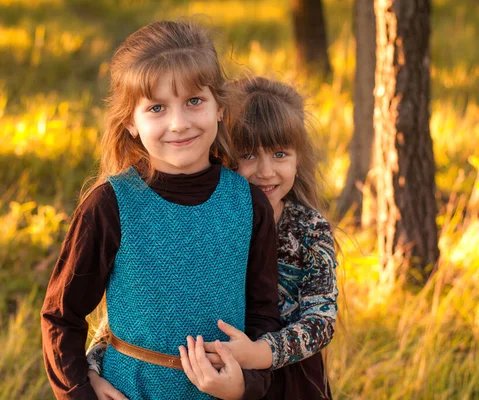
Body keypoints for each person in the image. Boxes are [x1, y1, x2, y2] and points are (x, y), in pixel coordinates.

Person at [40, 22, 283, 400]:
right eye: (156, 108)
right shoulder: (109, 206)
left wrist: (245, 387)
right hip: (132, 390)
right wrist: (81, 390)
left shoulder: (248, 204)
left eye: (194, 101)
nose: (178, 123)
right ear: (131, 124)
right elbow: (61, 316)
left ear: (220, 107)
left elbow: (265, 318)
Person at [86, 77, 338, 400]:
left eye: (279, 154)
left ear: (298, 159)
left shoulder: (309, 229)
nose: (265, 171)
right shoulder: (215, 218)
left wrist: (256, 353)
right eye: (248, 156)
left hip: (289, 383)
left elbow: (321, 320)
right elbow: (142, 308)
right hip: (211, 378)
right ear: (226, 154)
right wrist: (94, 364)